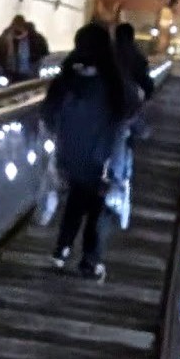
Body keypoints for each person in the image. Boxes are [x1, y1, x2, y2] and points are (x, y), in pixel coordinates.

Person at [42, 25, 143, 282]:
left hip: (71, 157)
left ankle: (61, 250)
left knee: (76, 202)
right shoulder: (114, 80)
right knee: (100, 210)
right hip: (104, 159)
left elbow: (48, 112)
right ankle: (90, 260)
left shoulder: (66, 78)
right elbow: (132, 114)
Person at [0, 15, 49, 82]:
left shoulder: (35, 37)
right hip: (17, 73)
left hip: (18, 72)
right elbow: (45, 52)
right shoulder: (5, 39)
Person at [112, 22, 158, 100]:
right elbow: (144, 79)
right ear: (132, 36)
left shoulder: (107, 51)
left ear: (116, 35)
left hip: (108, 94)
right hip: (130, 95)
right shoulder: (136, 54)